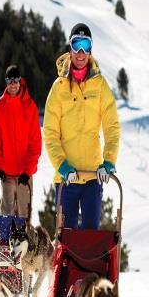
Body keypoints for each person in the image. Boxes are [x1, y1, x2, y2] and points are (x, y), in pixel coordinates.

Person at [43, 23, 120, 229]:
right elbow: (50, 134)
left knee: (90, 240)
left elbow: (112, 126)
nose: (81, 52)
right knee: (66, 240)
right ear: (70, 48)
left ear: (91, 50)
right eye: (77, 44)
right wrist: (62, 166)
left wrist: (108, 161)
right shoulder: (58, 88)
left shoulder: (100, 85)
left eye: (86, 45)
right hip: (66, 179)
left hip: (92, 176)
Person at [0, 65, 42, 217]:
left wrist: (28, 170)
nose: (13, 84)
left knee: (24, 215)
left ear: (20, 81)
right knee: (7, 213)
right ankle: (4, 241)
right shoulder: (0, 107)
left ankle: (24, 240)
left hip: (24, 175)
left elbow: (35, 142)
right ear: (6, 83)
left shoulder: (29, 106)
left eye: (16, 80)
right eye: (9, 81)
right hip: (6, 173)